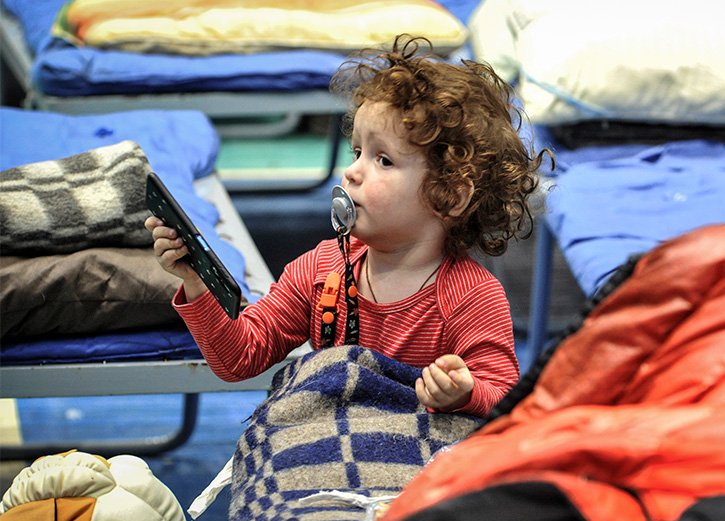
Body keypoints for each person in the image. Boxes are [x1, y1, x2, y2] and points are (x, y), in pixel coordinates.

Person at [146, 35, 550, 418]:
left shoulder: (471, 296)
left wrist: (464, 392)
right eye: (357, 151)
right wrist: (197, 284)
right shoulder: (320, 271)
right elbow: (238, 358)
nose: (352, 172)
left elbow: (503, 397)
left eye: (383, 160)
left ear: (450, 197)